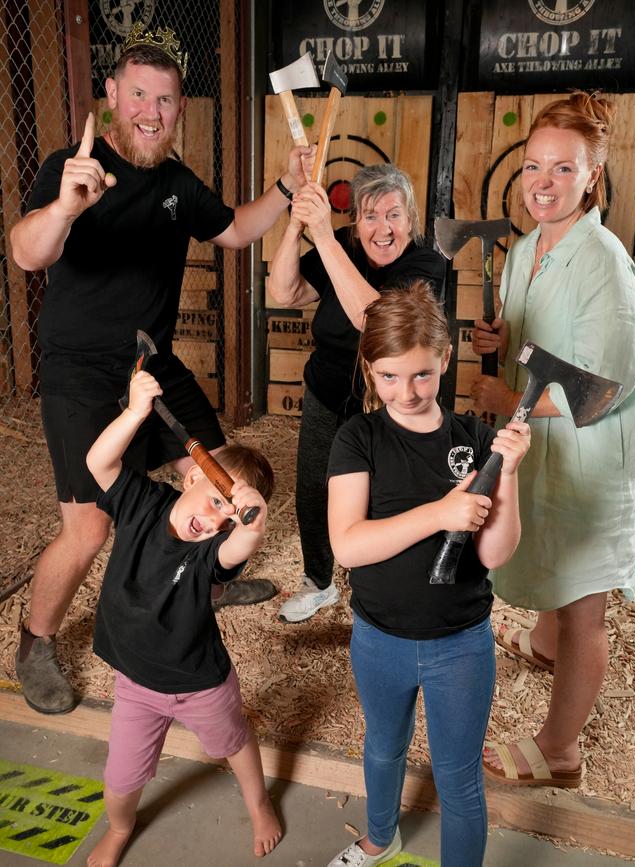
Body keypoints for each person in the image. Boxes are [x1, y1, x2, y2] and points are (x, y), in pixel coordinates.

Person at [10, 23, 312, 714]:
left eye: (166, 100)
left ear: (180, 109)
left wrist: (286, 188)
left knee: (217, 470)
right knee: (88, 526)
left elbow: (234, 228)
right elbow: (28, 252)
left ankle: (203, 577)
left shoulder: (174, 181)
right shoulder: (73, 167)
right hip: (81, 372)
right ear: (112, 96)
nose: (151, 111)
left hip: (151, 360)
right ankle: (35, 640)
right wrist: (64, 206)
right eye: (139, 95)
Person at [471, 92, 635, 788]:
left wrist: (502, 397)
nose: (542, 183)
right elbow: (532, 343)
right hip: (547, 445)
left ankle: (561, 748)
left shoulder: (603, 260)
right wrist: (498, 339)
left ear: (593, 176)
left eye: (563, 170)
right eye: (533, 166)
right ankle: (542, 643)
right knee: (551, 553)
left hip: (593, 454)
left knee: (584, 607)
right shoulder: (527, 250)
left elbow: (601, 387)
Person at [326, 281, 530, 867]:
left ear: (444, 359)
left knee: (458, 777)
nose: (407, 391)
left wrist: (508, 475)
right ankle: (379, 836)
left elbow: (493, 555)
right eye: (389, 376)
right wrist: (440, 513)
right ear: (370, 370)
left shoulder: (476, 441)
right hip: (379, 639)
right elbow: (348, 544)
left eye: (421, 374)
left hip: (460, 646)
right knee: (383, 749)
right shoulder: (358, 439)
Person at [84, 368, 281, 867]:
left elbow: (238, 547)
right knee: (120, 781)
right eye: (217, 500)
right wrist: (133, 414)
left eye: (227, 514)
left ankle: (258, 804)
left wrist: (250, 523)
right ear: (192, 475)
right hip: (135, 684)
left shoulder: (214, 549)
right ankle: (121, 829)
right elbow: (98, 461)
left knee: (233, 741)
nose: (215, 519)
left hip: (200, 684)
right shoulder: (143, 503)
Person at [268, 164, 446, 623]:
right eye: (370, 215)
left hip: (391, 406)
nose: (383, 228)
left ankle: (384, 587)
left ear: (411, 219)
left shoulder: (425, 265)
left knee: (388, 497)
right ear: (355, 222)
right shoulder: (342, 246)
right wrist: (297, 225)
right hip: (326, 395)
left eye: (394, 214)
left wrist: (325, 238)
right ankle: (319, 582)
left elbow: (378, 323)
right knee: (313, 490)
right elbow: (283, 291)